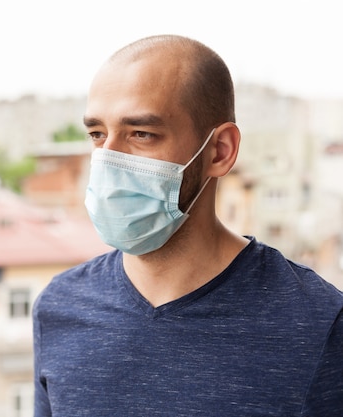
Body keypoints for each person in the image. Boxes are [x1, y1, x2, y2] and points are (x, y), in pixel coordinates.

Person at [32, 34, 343, 416]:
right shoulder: (60, 306)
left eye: (141, 134)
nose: (107, 159)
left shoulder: (318, 324)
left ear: (220, 151)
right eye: (97, 134)